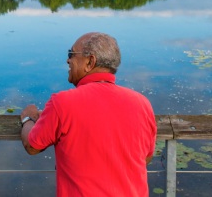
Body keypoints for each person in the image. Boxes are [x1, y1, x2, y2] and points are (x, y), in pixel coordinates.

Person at [20, 32, 157, 196]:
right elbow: (146, 158)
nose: (68, 60)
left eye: (71, 54)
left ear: (90, 62)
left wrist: (28, 118)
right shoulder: (142, 104)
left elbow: (33, 145)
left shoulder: (63, 103)